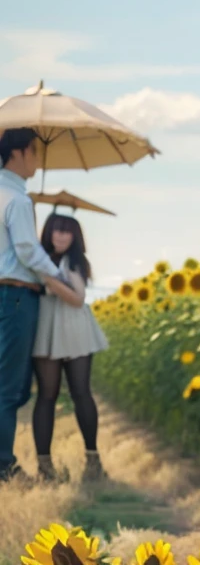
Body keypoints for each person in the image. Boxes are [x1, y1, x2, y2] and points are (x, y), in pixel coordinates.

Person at [0, 127, 77, 483]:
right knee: (10, 386)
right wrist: (57, 277)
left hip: (9, 293)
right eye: (35, 151)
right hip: (16, 295)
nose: (37, 159)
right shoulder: (16, 199)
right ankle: (5, 466)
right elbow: (28, 250)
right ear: (18, 152)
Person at [32, 211, 109, 483]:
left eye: (67, 230)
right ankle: (45, 467)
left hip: (75, 329)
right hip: (47, 328)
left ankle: (93, 461)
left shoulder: (75, 261)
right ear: (48, 232)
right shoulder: (37, 257)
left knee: (81, 392)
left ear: (75, 235)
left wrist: (49, 278)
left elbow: (77, 298)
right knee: (46, 395)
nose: (61, 235)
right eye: (56, 229)